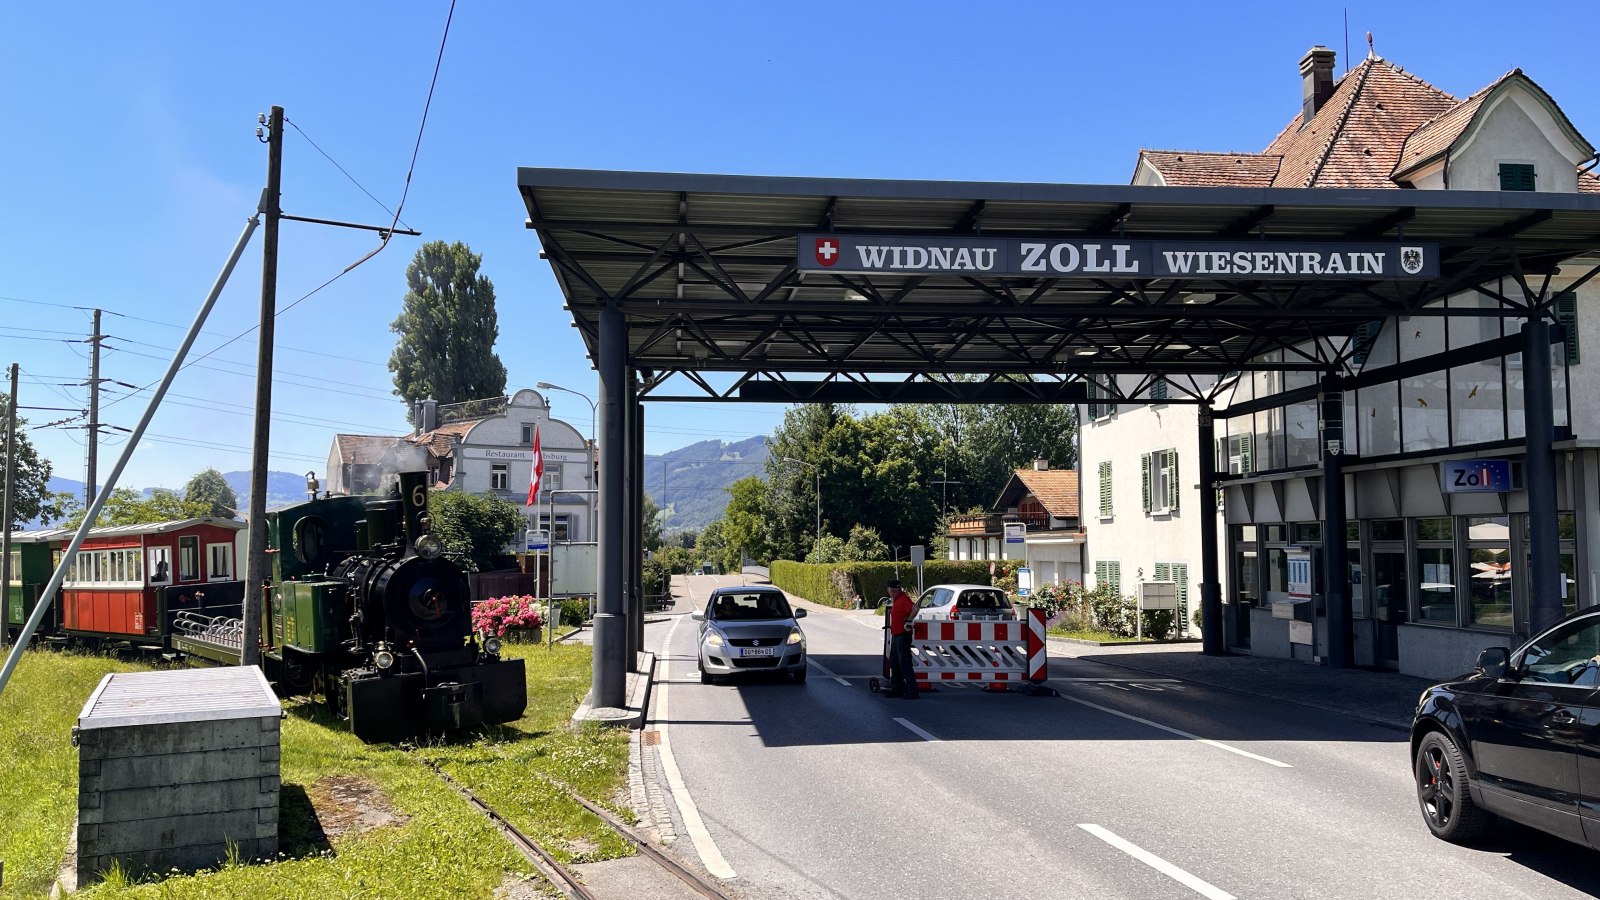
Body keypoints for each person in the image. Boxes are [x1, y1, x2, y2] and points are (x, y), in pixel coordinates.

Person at [885, 580, 919, 699]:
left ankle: (912, 690)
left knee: (904, 663)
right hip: (896, 635)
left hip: (902, 635)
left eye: (888, 590)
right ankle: (897, 688)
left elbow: (915, 608)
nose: (888, 592)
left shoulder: (903, 599)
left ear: (892, 590)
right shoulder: (898, 599)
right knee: (895, 663)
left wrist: (909, 621)